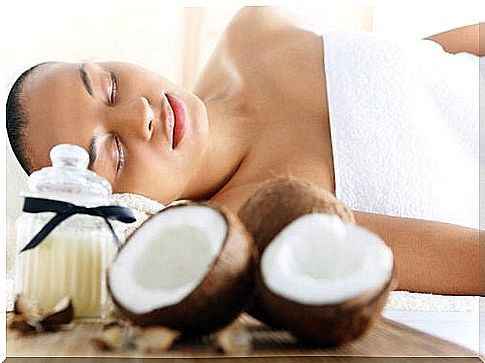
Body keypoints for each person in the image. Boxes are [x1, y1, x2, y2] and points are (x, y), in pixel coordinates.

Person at [6, 7, 481, 296]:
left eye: (108, 85)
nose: (140, 115)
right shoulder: (259, 228)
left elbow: (428, 63)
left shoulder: (251, 30)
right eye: (114, 153)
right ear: (119, 204)